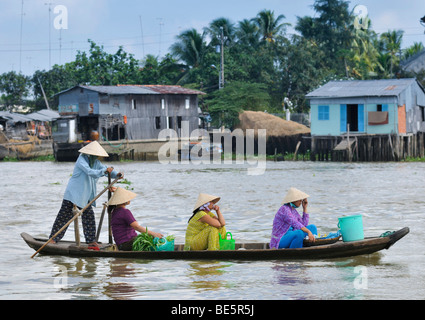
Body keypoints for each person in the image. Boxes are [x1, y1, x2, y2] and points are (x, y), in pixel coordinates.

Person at [49, 141, 122, 250]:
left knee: (89, 218)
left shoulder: (96, 163)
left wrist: (116, 174)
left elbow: (106, 169)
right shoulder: (81, 160)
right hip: (74, 194)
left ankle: (91, 241)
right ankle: (53, 239)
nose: (97, 157)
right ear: (90, 154)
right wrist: (105, 171)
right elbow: (90, 172)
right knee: (64, 217)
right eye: (95, 155)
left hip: (86, 196)